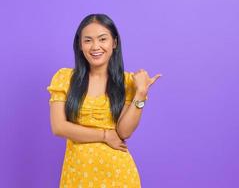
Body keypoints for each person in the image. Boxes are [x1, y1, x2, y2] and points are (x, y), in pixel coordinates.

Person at [46, 13, 162, 187]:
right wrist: (105, 135)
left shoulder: (126, 82)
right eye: (88, 40)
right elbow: (59, 127)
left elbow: (124, 132)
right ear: (79, 45)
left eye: (102, 39)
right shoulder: (64, 78)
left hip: (118, 175)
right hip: (78, 174)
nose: (95, 46)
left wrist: (141, 94)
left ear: (114, 43)